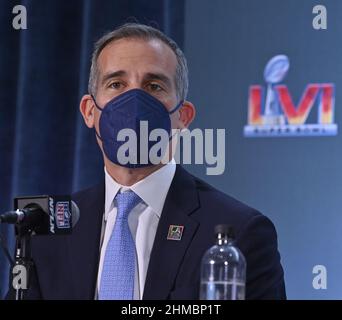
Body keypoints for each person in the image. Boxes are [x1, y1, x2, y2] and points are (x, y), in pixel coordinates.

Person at [7, 23, 286, 300]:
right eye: (116, 84)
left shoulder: (241, 233)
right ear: (89, 111)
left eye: (154, 86)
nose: (134, 101)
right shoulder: (47, 234)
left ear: (183, 117)